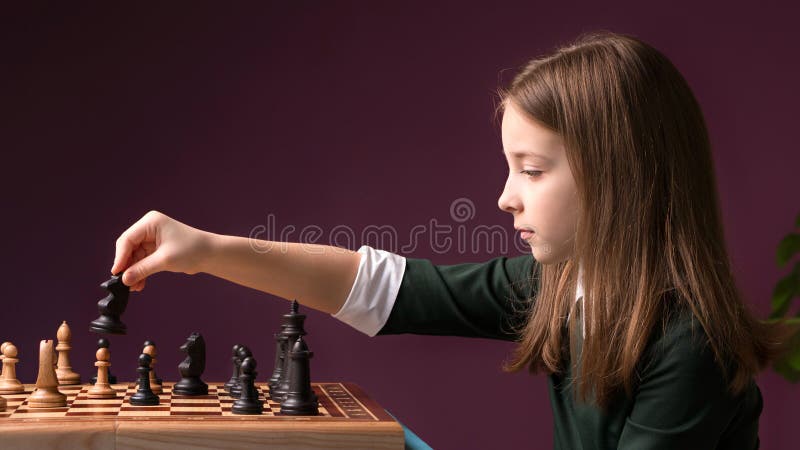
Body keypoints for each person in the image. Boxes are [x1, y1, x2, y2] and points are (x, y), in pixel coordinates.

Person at [110, 31, 789, 449]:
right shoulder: (562, 288)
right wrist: (204, 250)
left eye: (532, 170)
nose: (504, 196)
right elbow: (384, 288)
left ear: (622, 177)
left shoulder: (688, 345)